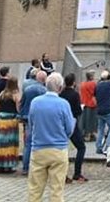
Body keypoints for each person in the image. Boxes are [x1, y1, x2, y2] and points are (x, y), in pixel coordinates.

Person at [27, 73, 76, 202]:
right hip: (58, 149)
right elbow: (69, 129)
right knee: (56, 189)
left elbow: (31, 124)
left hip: (38, 148)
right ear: (60, 88)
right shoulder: (63, 104)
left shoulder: (35, 102)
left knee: (35, 189)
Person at [0, 75, 21, 174]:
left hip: (1, 120)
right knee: (9, 143)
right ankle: (8, 165)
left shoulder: (2, 94)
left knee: (0, 143)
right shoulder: (16, 94)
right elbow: (18, 108)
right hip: (11, 121)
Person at [60, 73, 88, 183]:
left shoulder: (61, 94)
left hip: (61, 124)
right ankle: (77, 173)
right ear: (74, 83)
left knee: (62, 148)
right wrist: (81, 108)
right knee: (81, 147)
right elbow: (77, 111)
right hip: (72, 123)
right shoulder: (75, 94)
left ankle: (63, 173)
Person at [20, 70, 47, 175]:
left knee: (28, 144)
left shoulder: (28, 89)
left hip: (27, 117)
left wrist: (22, 114)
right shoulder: (44, 91)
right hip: (39, 118)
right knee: (40, 143)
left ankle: (25, 167)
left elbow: (22, 103)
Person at [94, 70, 110, 156]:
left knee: (100, 129)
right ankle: (108, 147)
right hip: (108, 109)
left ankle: (98, 147)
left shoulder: (97, 85)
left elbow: (94, 95)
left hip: (99, 110)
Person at [78, 70, 97, 142]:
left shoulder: (82, 84)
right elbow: (94, 92)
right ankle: (89, 135)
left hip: (83, 103)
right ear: (91, 77)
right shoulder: (92, 84)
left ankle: (85, 134)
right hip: (91, 104)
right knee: (91, 121)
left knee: (84, 120)